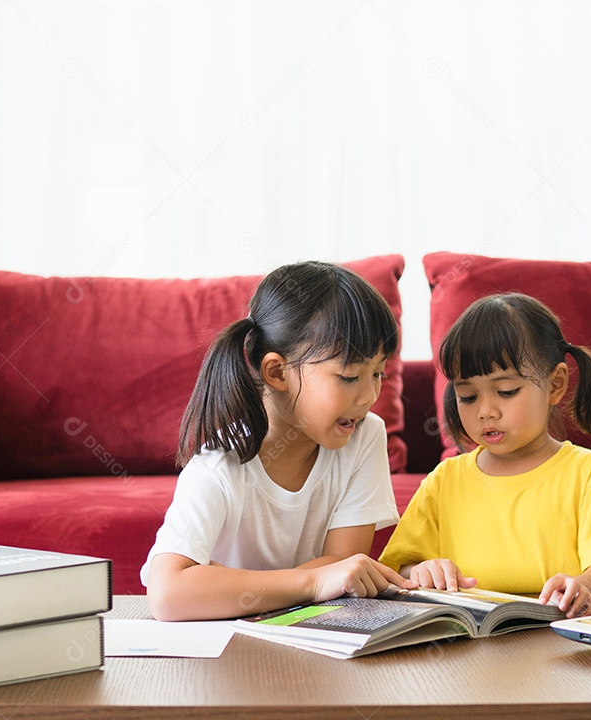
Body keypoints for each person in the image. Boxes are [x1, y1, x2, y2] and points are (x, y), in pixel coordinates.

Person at [142, 261, 415, 621]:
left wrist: (225, 584)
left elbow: (342, 564)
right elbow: (167, 594)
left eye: (378, 373)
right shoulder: (221, 463)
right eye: (349, 377)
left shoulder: (364, 437)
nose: (369, 396)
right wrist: (312, 583)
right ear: (277, 372)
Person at [379, 293, 591, 618]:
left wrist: (584, 584)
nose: (486, 412)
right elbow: (403, 568)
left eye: (506, 392)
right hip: (468, 646)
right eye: (467, 396)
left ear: (555, 385)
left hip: (556, 638)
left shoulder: (590, 473)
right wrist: (423, 571)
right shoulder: (443, 481)